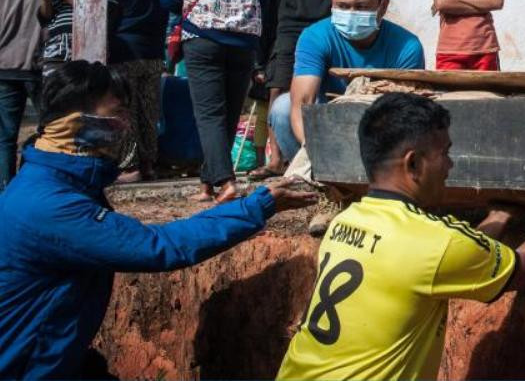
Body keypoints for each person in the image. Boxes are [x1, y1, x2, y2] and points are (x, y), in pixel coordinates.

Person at [0, 61, 316, 380]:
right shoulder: (50, 206)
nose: (125, 125)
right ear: (73, 125)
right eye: (116, 115)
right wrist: (256, 207)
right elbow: (160, 246)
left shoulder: (57, 182)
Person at [276, 92, 525, 380]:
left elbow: (443, 254)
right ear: (414, 163)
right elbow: (519, 269)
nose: (450, 164)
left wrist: (499, 216)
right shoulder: (435, 243)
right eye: (444, 152)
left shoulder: (346, 220)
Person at [161, 0, 268, 203]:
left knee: (208, 114)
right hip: (244, 43)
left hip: (203, 39)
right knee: (229, 114)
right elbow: (263, 1)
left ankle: (225, 181)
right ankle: (207, 183)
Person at [269, 0, 424, 166]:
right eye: (342, 6)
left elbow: (407, 114)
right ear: (332, 1)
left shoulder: (407, 46)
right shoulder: (315, 37)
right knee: (282, 108)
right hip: (329, 122)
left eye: (361, 7)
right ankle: (312, 177)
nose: (351, 14)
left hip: (382, 127)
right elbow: (302, 102)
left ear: (383, 6)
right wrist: (314, 150)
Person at [256, 0, 356, 179]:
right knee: (280, 88)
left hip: (329, 26)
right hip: (290, 25)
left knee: (324, 89)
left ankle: (319, 154)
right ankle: (275, 160)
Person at [109, 0, 169, 182]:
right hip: (154, 54)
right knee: (148, 111)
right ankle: (148, 164)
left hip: (125, 53)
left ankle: (129, 165)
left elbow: (112, 16)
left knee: (127, 110)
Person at [0, 0, 54, 190]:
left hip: (3, 69)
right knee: (49, 130)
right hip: (37, 67)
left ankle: (5, 188)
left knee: (5, 136)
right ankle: (37, 184)